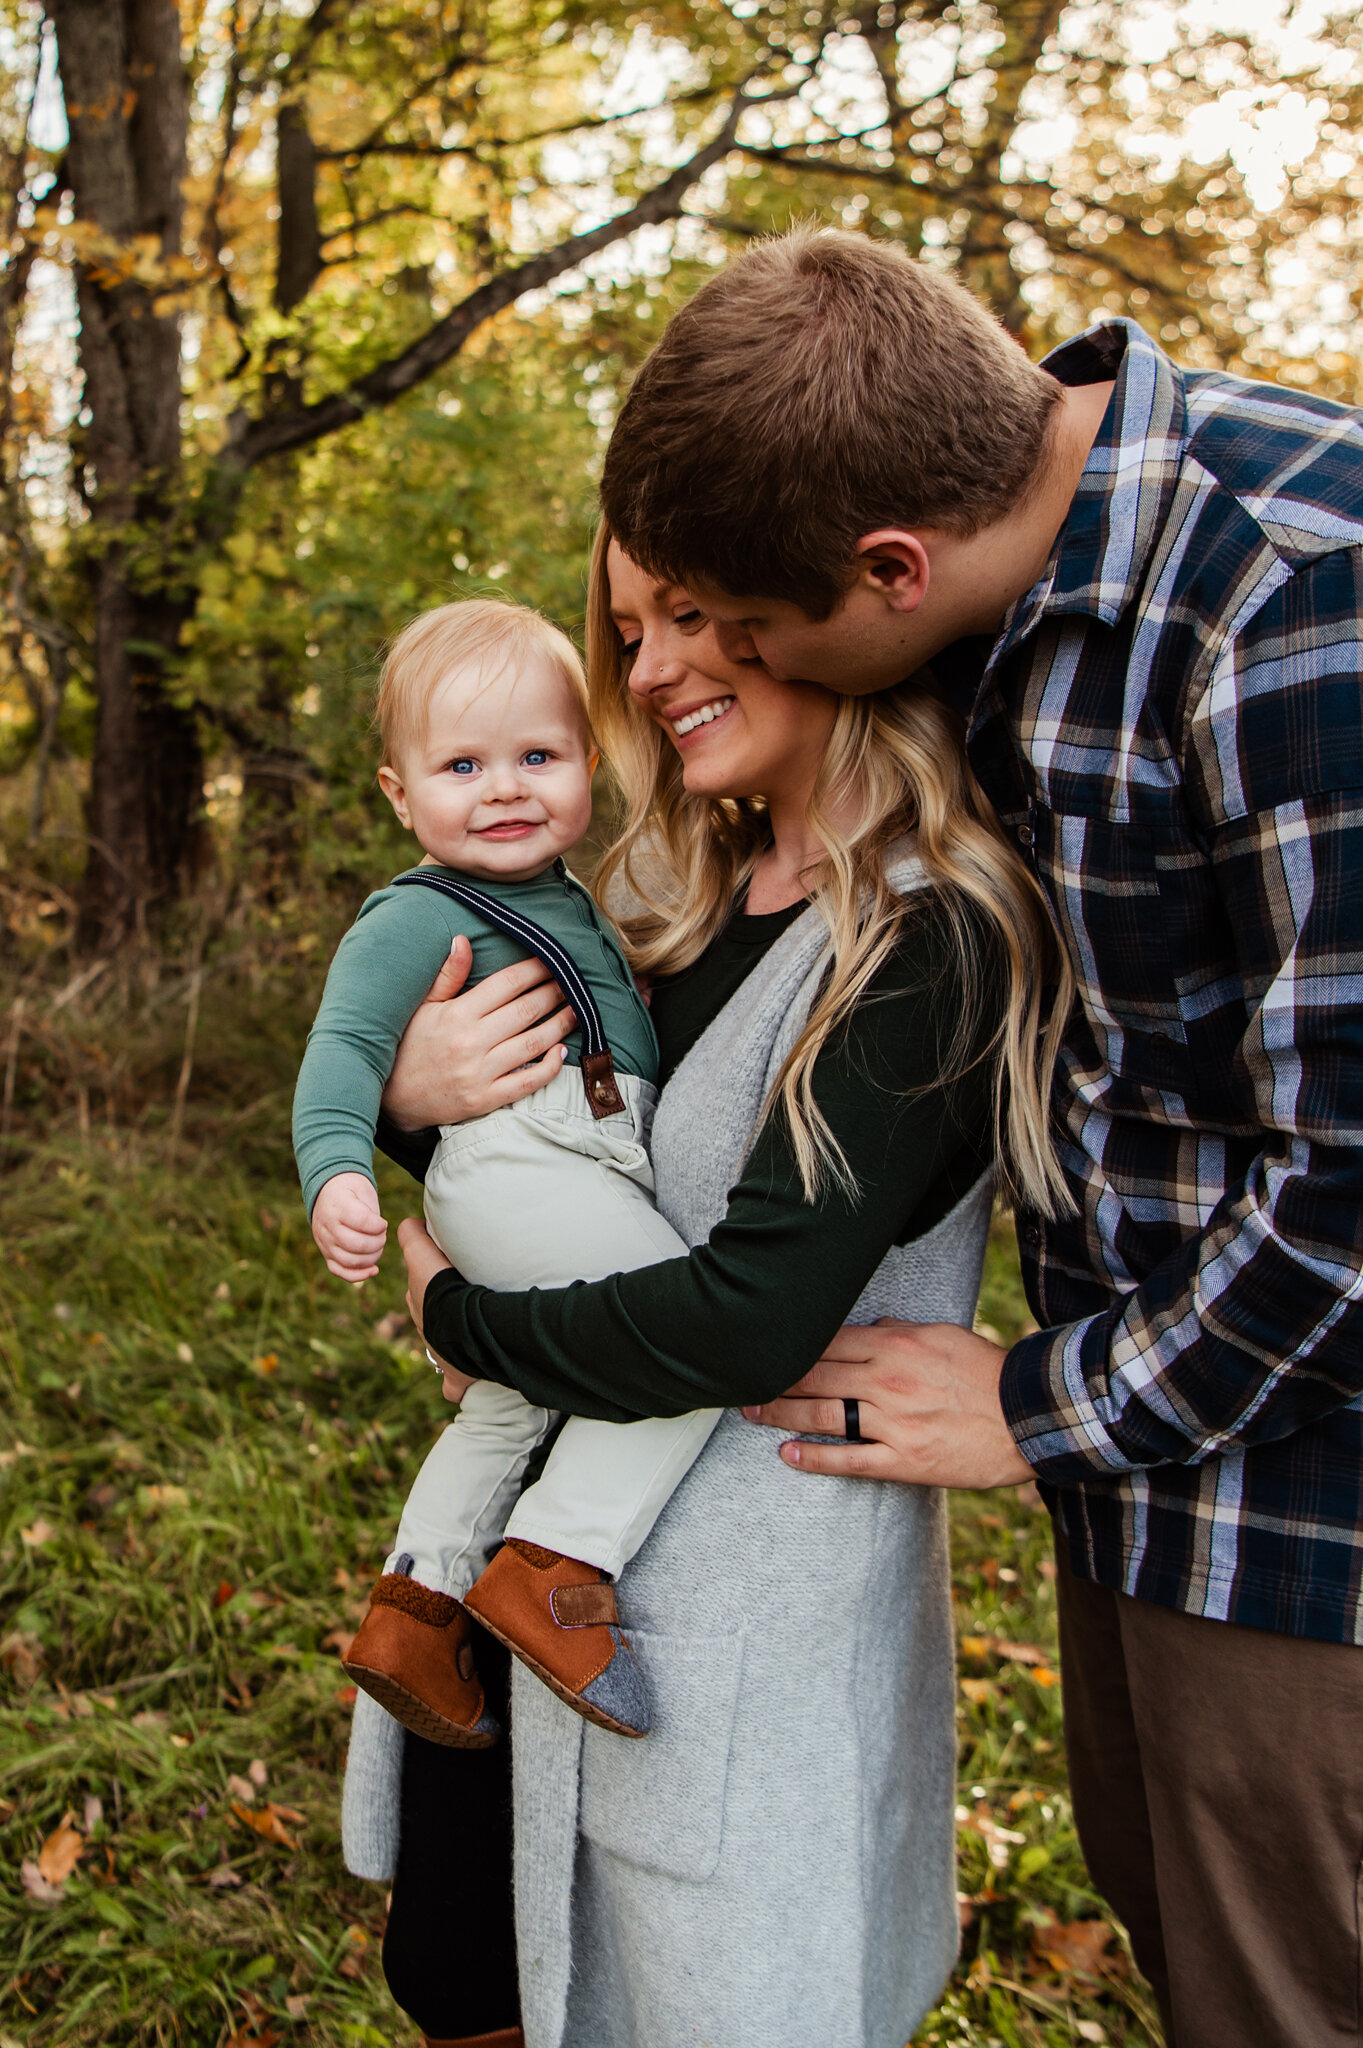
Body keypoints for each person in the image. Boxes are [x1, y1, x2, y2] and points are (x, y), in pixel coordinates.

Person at [593, 226, 1363, 2048]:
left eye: (757, 630)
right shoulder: (992, 554)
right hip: (1149, 1480)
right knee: (1190, 1937)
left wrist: (1035, 1406)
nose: (716, 659)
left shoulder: (1296, 600)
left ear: (889, 564)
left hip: (1307, 1514)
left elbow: (1349, 1187)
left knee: (1288, 1991)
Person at [343, 523, 1071, 2048]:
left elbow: (744, 1314)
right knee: (471, 1984)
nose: (648, 666)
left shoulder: (928, 931)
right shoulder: (672, 899)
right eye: (628, 626)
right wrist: (409, 1100)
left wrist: (449, 1320)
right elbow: (551, 1175)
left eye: (689, 614)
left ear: (833, 608)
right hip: (516, 1587)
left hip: (721, 1645)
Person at [294, 596, 714, 1748]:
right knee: (686, 1341)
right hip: (521, 1170)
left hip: (555, 1178)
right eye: (462, 763)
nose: (505, 787)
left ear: (589, 759)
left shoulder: (575, 898)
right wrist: (338, 1169)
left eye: (538, 754)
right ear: (399, 794)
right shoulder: (414, 915)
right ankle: (557, 1567)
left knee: (506, 1396)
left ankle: (415, 1608)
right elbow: (343, 1051)